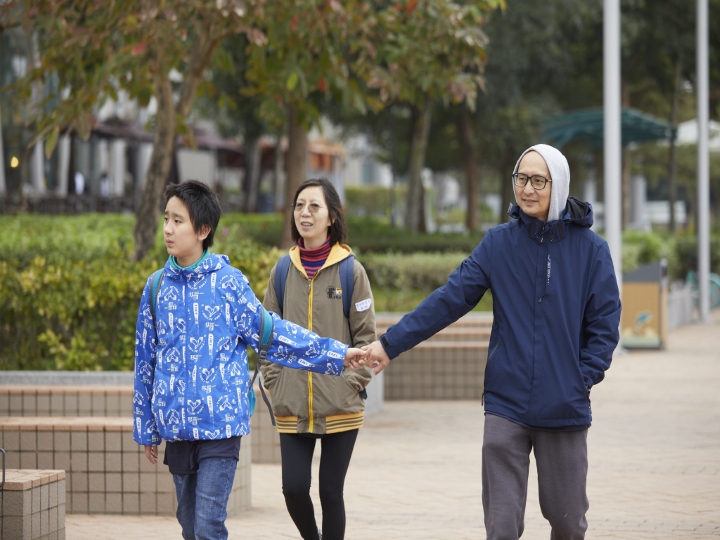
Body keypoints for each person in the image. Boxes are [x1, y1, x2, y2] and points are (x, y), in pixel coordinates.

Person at [361, 144, 621, 540]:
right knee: (501, 527)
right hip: (506, 403)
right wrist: (388, 344)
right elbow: (449, 299)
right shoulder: (498, 244)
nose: (527, 189)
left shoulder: (592, 251)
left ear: (559, 185)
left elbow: (604, 326)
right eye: (521, 178)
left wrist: (579, 378)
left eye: (539, 181)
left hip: (564, 406)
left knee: (568, 524)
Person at [133, 179, 366, 540]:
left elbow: (274, 334)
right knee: (190, 527)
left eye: (178, 221)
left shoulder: (229, 284)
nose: (168, 229)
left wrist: (337, 355)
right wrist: (146, 426)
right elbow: (145, 361)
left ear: (203, 230)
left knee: (208, 527)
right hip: (177, 428)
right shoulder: (156, 287)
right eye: (167, 219)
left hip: (221, 427)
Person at [260, 177, 376, 540]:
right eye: (299, 206)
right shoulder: (282, 271)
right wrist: (276, 382)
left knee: (330, 492)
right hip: (292, 402)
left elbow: (367, 339)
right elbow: (266, 335)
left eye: (314, 206)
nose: (305, 213)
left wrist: (349, 384)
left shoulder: (351, 271)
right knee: (294, 489)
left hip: (340, 404)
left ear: (331, 216)